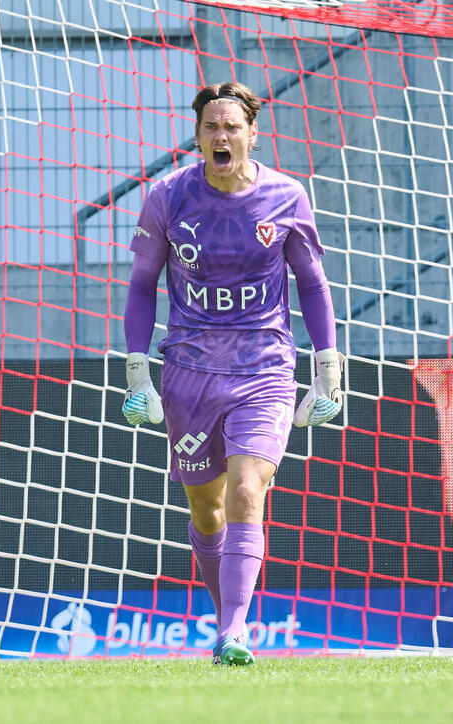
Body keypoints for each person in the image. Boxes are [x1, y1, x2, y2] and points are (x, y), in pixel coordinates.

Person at [121, 81, 342, 666]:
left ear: (252, 134)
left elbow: (312, 285)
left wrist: (327, 367)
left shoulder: (286, 196)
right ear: (197, 137)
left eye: (231, 126)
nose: (221, 136)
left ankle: (234, 632)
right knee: (206, 508)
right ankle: (227, 623)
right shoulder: (168, 197)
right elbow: (142, 286)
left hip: (265, 365)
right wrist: (137, 373)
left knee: (249, 489)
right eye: (211, 127)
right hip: (189, 372)